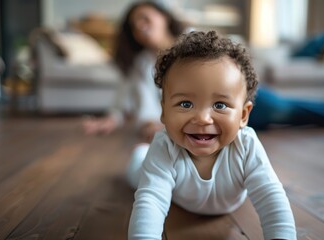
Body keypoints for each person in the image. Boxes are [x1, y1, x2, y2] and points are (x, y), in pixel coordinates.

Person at [82, 0, 324, 139]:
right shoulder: (140, 66)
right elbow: (125, 102)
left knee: (290, 111)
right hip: (192, 126)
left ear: (162, 16)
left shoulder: (191, 42)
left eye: (145, 19)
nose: (140, 28)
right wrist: (108, 121)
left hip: (231, 105)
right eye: (133, 26)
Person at [127, 30, 297, 240]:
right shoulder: (165, 146)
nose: (203, 119)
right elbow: (150, 201)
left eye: (220, 105)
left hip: (225, 203)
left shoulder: (246, 145)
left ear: (243, 115)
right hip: (168, 188)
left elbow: (271, 197)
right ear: (164, 111)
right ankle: (140, 155)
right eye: (185, 104)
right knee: (137, 172)